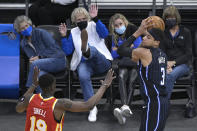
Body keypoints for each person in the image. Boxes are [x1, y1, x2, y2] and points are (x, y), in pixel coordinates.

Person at [16, 67, 115, 131]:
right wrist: (104, 86)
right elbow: (89, 105)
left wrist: (33, 85)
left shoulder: (30, 98)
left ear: (40, 86)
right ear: (53, 87)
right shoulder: (59, 104)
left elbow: (18, 108)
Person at [59, 5, 113, 122]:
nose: (82, 21)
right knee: (82, 75)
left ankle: (87, 50)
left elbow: (105, 34)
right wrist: (63, 36)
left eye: (84, 19)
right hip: (84, 63)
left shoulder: (94, 25)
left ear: (87, 18)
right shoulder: (73, 32)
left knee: (93, 50)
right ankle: (92, 107)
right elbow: (67, 51)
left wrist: (96, 18)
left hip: (101, 62)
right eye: (79, 20)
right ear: (74, 21)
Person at [117, 18, 169, 131]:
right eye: (145, 36)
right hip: (160, 101)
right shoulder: (163, 55)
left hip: (155, 102)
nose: (144, 37)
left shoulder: (144, 53)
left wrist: (138, 31)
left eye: (148, 37)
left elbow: (120, 50)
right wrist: (147, 33)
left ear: (156, 42)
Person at [13, 15, 66, 93]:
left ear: (30, 25)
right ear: (20, 31)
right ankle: (43, 101)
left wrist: (40, 57)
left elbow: (55, 50)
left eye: (27, 26)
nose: (26, 29)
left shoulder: (41, 32)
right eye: (22, 28)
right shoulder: (23, 43)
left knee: (35, 64)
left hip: (58, 60)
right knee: (38, 77)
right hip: (42, 66)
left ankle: (28, 91)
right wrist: (32, 60)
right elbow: (33, 58)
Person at [105, 13, 142, 124]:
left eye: (120, 24)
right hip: (122, 63)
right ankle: (125, 109)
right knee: (121, 76)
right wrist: (127, 48)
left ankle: (125, 108)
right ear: (113, 27)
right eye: (116, 25)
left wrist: (120, 48)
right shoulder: (114, 36)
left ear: (125, 22)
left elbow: (137, 50)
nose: (119, 27)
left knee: (131, 80)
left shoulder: (134, 31)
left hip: (134, 62)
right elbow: (114, 54)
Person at [162, 6, 192, 100]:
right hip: (167, 64)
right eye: (167, 18)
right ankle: (154, 104)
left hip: (183, 65)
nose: (170, 20)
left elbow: (188, 54)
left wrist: (173, 63)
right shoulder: (164, 33)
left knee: (169, 76)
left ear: (177, 17)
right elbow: (161, 52)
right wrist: (166, 64)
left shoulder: (185, 32)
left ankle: (163, 105)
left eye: (172, 17)